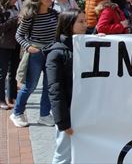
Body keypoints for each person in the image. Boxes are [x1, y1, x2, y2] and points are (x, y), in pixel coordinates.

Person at [44, 9, 87, 164]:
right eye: (80, 22)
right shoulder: (56, 53)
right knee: (63, 155)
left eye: (86, 21)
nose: (85, 25)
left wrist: (102, 45)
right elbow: (55, 90)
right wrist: (63, 122)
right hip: (68, 112)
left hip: (84, 111)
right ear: (69, 24)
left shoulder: (85, 45)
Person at [11, 0, 58, 127]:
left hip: (51, 52)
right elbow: (18, 35)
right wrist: (28, 47)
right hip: (35, 53)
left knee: (49, 86)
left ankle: (44, 115)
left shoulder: (54, 14)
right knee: (30, 86)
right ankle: (17, 113)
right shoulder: (30, 16)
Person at [0, 0, 20, 110]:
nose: (16, 1)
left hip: (15, 43)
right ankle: (1, 99)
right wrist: (15, 20)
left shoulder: (14, 8)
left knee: (13, 72)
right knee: (2, 73)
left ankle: (12, 96)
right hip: (3, 45)